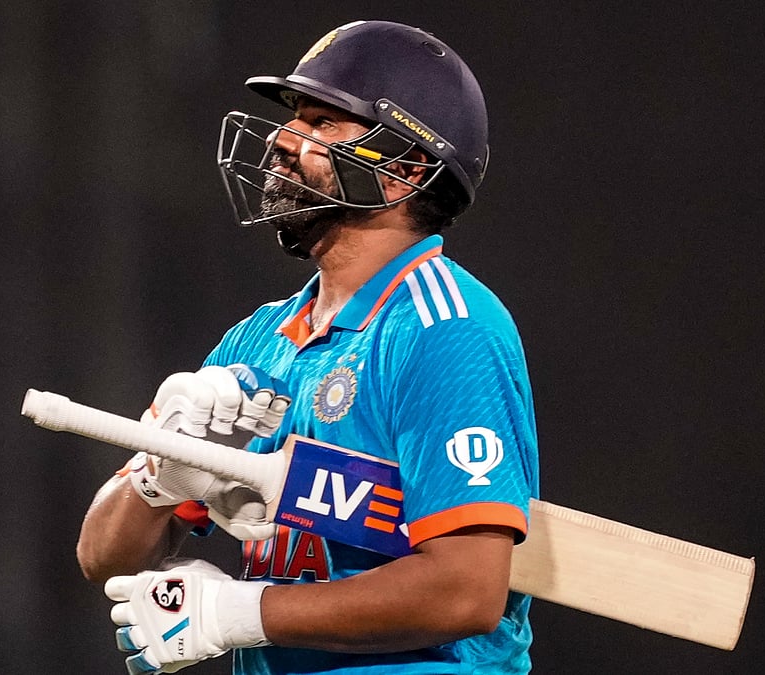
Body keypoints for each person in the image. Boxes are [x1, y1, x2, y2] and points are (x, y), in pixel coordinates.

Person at [76, 19, 539, 675]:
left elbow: (466, 590)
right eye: (294, 116)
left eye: (323, 123)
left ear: (404, 170)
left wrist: (242, 612)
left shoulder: (445, 327)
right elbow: (102, 556)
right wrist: (160, 475)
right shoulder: (255, 341)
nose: (282, 139)